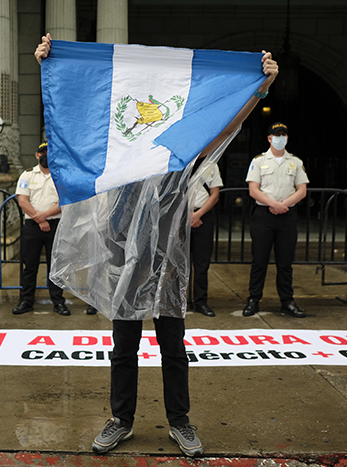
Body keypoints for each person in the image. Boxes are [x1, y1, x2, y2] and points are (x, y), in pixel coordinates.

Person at [34, 34, 278, 457]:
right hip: (123, 261)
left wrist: (262, 87)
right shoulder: (114, 155)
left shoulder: (179, 157)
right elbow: (72, 113)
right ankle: (120, 420)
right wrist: (48, 66)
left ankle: (180, 422)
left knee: (173, 348)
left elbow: (226, 124)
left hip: (167, 262)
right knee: (123, 348)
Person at [243, 122, 309, 318]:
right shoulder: (259, 161)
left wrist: (284, 205)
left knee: (285, 262)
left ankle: (287, 301)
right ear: (269, 138)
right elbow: (253, 189)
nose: (280, 138)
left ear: (287, 138)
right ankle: (253, 300)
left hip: (287, 217)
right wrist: (273, 203)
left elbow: (302, 190)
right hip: (263, 216)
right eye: (276, 135)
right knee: (259, 261)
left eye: (283, 135)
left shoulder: (295, 162)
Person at [12, 142, 70, 316]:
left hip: (54, 225)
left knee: (55, 266)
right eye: (42, 153)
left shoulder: (60, 175)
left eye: (48, 153)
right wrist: (39, 219)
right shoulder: (27, 175)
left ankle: (58, 302)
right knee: (29, 266)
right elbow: (22, 201)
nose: (45, 156)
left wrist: (43, 217)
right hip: (32, 226)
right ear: (37, 155)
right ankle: (26, 301)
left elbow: (64, 202)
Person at [188, 162, 223, 317]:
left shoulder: (212, 165)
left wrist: (198, 214)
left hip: (203, 217)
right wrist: (187, 215)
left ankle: (200, 301)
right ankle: (178, 301)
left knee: (202, 264)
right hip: (181, 217)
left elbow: (215, 194)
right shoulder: (181, 162)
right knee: (178, 264)